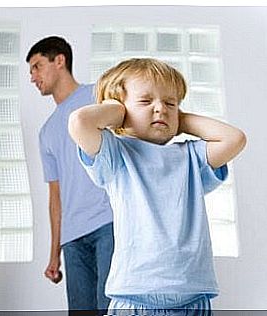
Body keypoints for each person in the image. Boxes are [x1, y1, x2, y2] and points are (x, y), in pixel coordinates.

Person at [68, 58, 247, 315]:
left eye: (170, 102)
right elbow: (79, 122)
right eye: (145, 101)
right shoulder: (116, 155)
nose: (160, 109)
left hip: (193, 297)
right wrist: (118, 112)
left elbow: (235, 138)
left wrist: (179, 120)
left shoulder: (192, 157)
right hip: (134, 298)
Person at [26, 36, 114, 312]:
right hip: (73, 238)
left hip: (108, 223)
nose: (32, 77)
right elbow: (55, 195)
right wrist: (55, 254)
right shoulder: (46, 131)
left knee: (112, 307)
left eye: (37, 66)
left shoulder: (97, 95)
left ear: (60, 60)